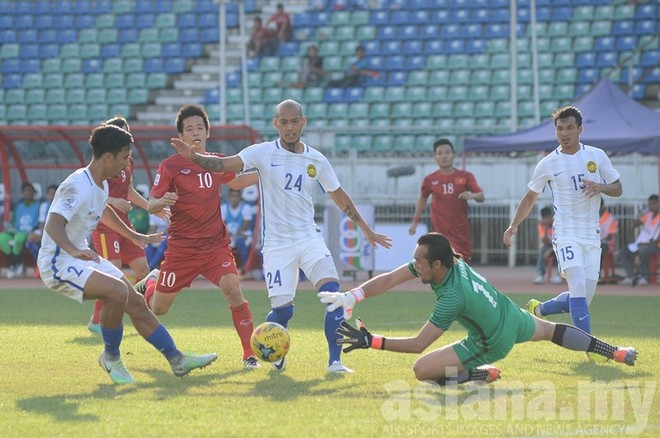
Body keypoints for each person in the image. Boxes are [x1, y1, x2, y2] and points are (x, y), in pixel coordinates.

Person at [169, 99, 392, 373]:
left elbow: (338, 194)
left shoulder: (316, 159)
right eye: (283, 122)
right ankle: (272, 349)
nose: (289, 127)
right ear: (276, 123)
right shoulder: (261, 152)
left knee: (334, 297)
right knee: (284, 312)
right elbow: (224, 165)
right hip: (277, 246)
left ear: (303, 122)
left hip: (309, 238)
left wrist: (366, 229)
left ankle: (335, 362)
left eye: (294, 121)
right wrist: (194, 158)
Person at [320, 232, 637, 385]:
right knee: (552, 331)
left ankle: (478, 374)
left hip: (493, 340)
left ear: (436, 264)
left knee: (423, 371)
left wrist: (372, 341)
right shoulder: (447, 262)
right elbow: (390, 279)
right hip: (509, 312)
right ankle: (616, 352)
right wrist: (354, 296)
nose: (413, 265)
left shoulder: (452, 297)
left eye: (418, 260)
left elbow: (418, 345)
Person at [36, 124, 217, 385]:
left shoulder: (99, 186)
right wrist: (75, 249)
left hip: (77, 257)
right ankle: (111, 357)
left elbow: (104, 212)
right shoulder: (77, 185)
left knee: (135, 301)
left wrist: (135, 237)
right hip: (57, 262)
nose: (126, 164)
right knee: (118, 292)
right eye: (124, 157)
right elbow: (53, 224)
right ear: (108, 157)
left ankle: (177, 360)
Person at [137, 104, 259, 369]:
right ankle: (150, 285)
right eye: (189, 129)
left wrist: (265, 173)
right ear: (181, 136)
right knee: (158, 309)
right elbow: (151, 204)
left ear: (207, 132)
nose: (195, 133)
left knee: (234, 291)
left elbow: (236, 182)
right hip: (182, 250)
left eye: (199, 128)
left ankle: (250, 354)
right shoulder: (170, 166)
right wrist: (163, 200)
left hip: (216, 246)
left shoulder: (215, 162)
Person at [502, 106, 623, 341]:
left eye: (569, 128)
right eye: (560, 129)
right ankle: (591, 347)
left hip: (591, 235)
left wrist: (601, 187)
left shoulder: (596, 156)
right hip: (566, 233)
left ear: (580, 129)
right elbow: (530, 197)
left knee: (582, 300)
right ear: (555, 132)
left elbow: (618, 188)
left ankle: (540, 310)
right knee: (577, 286)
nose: (564, 133)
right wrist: (513, 225)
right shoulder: (548, 163)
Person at [87, 116, 170, 335]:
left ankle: (142, 314)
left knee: (143, 270)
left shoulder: (128, 162)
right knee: (112, 273)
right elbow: (93, 195)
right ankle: (97, 319)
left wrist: (151, 207)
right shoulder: (103, 162)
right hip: (105, 226)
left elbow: (129, 192)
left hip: (125, 224)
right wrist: (113, 201)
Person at [408, 138, 484, 263]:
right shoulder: (430, 180)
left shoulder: (465, 176)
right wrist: (415, 221)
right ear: (435, 157)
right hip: (440, 235)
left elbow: (481, 196)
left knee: (462, 267)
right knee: (441, 267)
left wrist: (472, 195)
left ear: (453, 155)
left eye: (447, 152)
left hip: (461, 233)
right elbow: (422, 198)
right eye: (440, 153)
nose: (444, 156)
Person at [0, 182, 40, 278]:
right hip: (16, 231)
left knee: (18, 238)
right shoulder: (18, 206)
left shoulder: (38, 206)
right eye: (25, 191)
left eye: (30, 191)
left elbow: (40, 223)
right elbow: (12, 222)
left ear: (34, 193)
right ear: (22, 193)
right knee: (2, 237)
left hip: (29, 233)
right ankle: (16, 263)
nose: (28, 193)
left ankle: (13, 265)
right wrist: (10, 228)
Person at [620, 194, 659, 286]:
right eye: (650, 204)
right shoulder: (648, 215)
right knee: (623, 252)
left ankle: (644, 277)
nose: (651, 206)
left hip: (655, 244)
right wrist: (640, 215)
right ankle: (630, 276)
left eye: (653, 204)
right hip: (641, 244)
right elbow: (634, 226)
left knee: (643, 251)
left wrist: (647, 243)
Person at [221, 188, 254, 274]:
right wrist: (229, 233)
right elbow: (222, 224)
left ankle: (244, 268)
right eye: (232, 196)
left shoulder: (246, 207)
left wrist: (235, 233)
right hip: (230, 235)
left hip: (242, 234)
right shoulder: (224, 208)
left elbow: (245, 226)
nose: (234, 199)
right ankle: (225, 268)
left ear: (240, 197)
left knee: (239, 241)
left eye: (236, 197)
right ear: (229, 197)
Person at [534, 206, 561, 285]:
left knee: (560, 251)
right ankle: (541, 275)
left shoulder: (557, 225)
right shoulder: (541, 225)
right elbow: (544, 241)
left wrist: (551, 250)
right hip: (549, 246)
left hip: (559, 245)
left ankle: (560, 275)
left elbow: (559, 241)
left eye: (548, 217)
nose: (546, 220)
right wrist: (545, 229)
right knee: (542, 249)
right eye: (544, 218)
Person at [598, 199, 618, 276]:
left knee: (598, 249)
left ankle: (597, 274)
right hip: (595, 242)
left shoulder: (611, 218)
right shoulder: (592, 216)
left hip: (607, 244)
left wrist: (600, 240)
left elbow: (610, 236)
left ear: (602, 206)